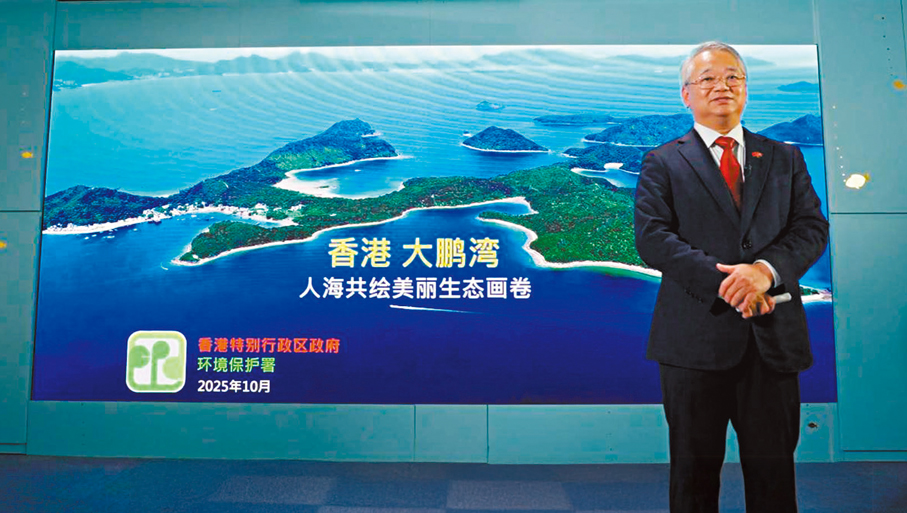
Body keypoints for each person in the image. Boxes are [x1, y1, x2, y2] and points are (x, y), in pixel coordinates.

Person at [634, 41, 829, 513]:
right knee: (694, 477)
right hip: (693, 343)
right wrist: (731, 284)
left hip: (771, 339)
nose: (722, 86)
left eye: (733, 77)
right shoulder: (662, 161)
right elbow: (653, 238)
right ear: (686, 94)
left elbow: (811, 228)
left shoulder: (784, 157)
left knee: (774, 477)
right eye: (707, 78)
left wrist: (764, 272)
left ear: (745, 89)